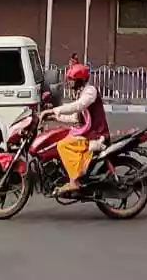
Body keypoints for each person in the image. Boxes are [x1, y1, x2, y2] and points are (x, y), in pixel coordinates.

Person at [45, 61, 108, 194]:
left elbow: (78, 106)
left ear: (80, 80)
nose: (70, 83)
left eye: (72, 80)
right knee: (61, 137)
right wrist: (55, 117)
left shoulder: (90, 92)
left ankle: (74, 181)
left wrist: (55, 110)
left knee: (62, 145)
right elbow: (74, 119)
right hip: (87, 131)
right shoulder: (82, 93)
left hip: (95, 134)